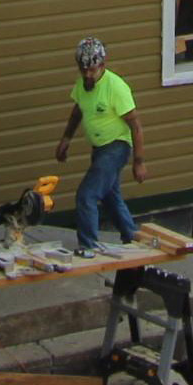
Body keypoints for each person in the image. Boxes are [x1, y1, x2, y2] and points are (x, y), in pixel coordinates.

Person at [52, 36, 146, 254]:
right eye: (83, 70)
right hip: (99, 148)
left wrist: (139, 162)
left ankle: (88, 246)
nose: (87, 75)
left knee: (86, 195)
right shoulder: (82, 85)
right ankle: (131, 235)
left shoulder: (116, 87)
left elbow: (137, 127)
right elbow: (77, 111)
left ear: (102, 65)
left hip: (117, 146)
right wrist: (66, 139)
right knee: (111, 196)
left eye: (92, 70)